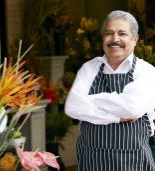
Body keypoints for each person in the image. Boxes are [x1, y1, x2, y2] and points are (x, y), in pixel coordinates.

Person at [65, 10, 155, 171]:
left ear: (135, 39)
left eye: (122, 33)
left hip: (134, 162)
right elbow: (73, 106)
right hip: (92, 162)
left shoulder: (147, 71)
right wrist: (116, 117)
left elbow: (131, 108)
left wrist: (90, 101)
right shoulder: (89, 68)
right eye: (109, 33)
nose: (115, 39)